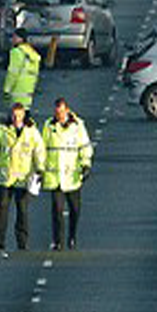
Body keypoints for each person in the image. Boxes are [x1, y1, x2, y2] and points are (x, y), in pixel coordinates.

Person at [0, 102, 46, 255]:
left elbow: (39, 150)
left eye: (19, 115)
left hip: (23, 177)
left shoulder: (31, 132)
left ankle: (22, 241)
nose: (16, 118)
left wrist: (40, 168)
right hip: (6, 176)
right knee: (3, 208)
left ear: (24, 115)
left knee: (22, 210)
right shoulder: (2, 130)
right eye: (14, 115)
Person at [42, 97, 94, 251]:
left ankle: (72, 237)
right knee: (57, 210)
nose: (59, 115)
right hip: (55, 176)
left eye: (62, 112)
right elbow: (42, 148)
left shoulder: (78, 126)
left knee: (74, 209)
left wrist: (85, 164)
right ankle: (57, 241)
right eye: (57, 112)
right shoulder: (48, 125)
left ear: (67, 110)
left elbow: (85, 146)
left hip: (72, 176)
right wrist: (39, 168)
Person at [3, 28, 41, 111]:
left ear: (20, 38)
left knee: (15, 119)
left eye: (14, 37)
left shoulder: (16, 52)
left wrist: (7, 89)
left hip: (17, 91)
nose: (12, 39)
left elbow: (13, 73)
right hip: (28, 92)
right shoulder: (32, 53)